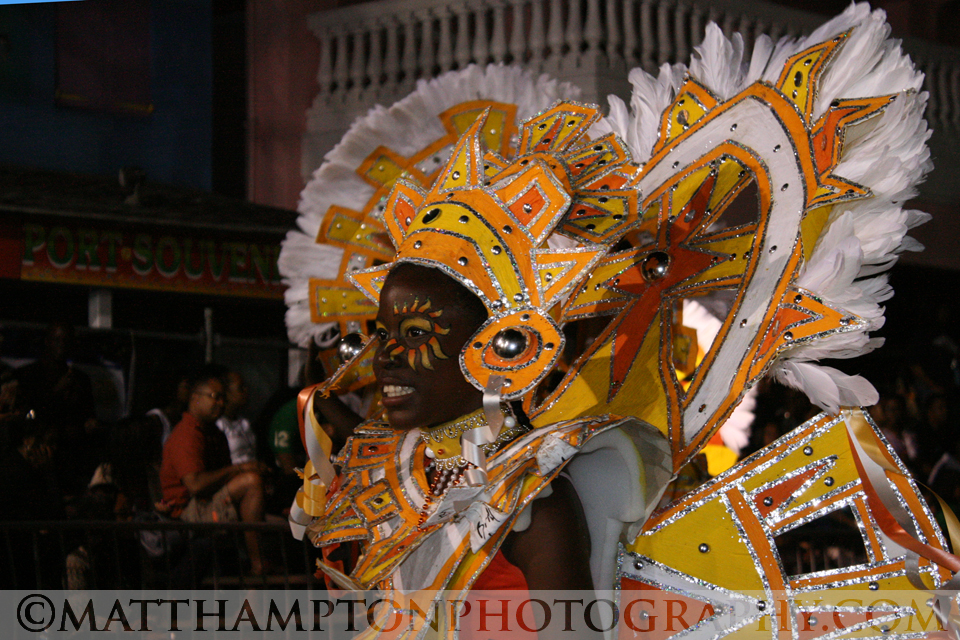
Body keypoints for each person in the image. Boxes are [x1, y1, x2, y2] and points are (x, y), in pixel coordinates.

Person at [159, 366, 270, 575]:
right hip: (188, 510)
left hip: (209, 500)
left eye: (222, 398)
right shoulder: (187, 434)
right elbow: (196, 485)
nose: (221, 403)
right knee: (251, 482)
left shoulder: (214, 433)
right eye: (214, 397)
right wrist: (241, 468)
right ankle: (258, 565)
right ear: (195, 398)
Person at [216, 370, 257, 465]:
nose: (246, 390)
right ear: (226, 393)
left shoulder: (244, 422)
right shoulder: (219, 424)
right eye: (240, 388)